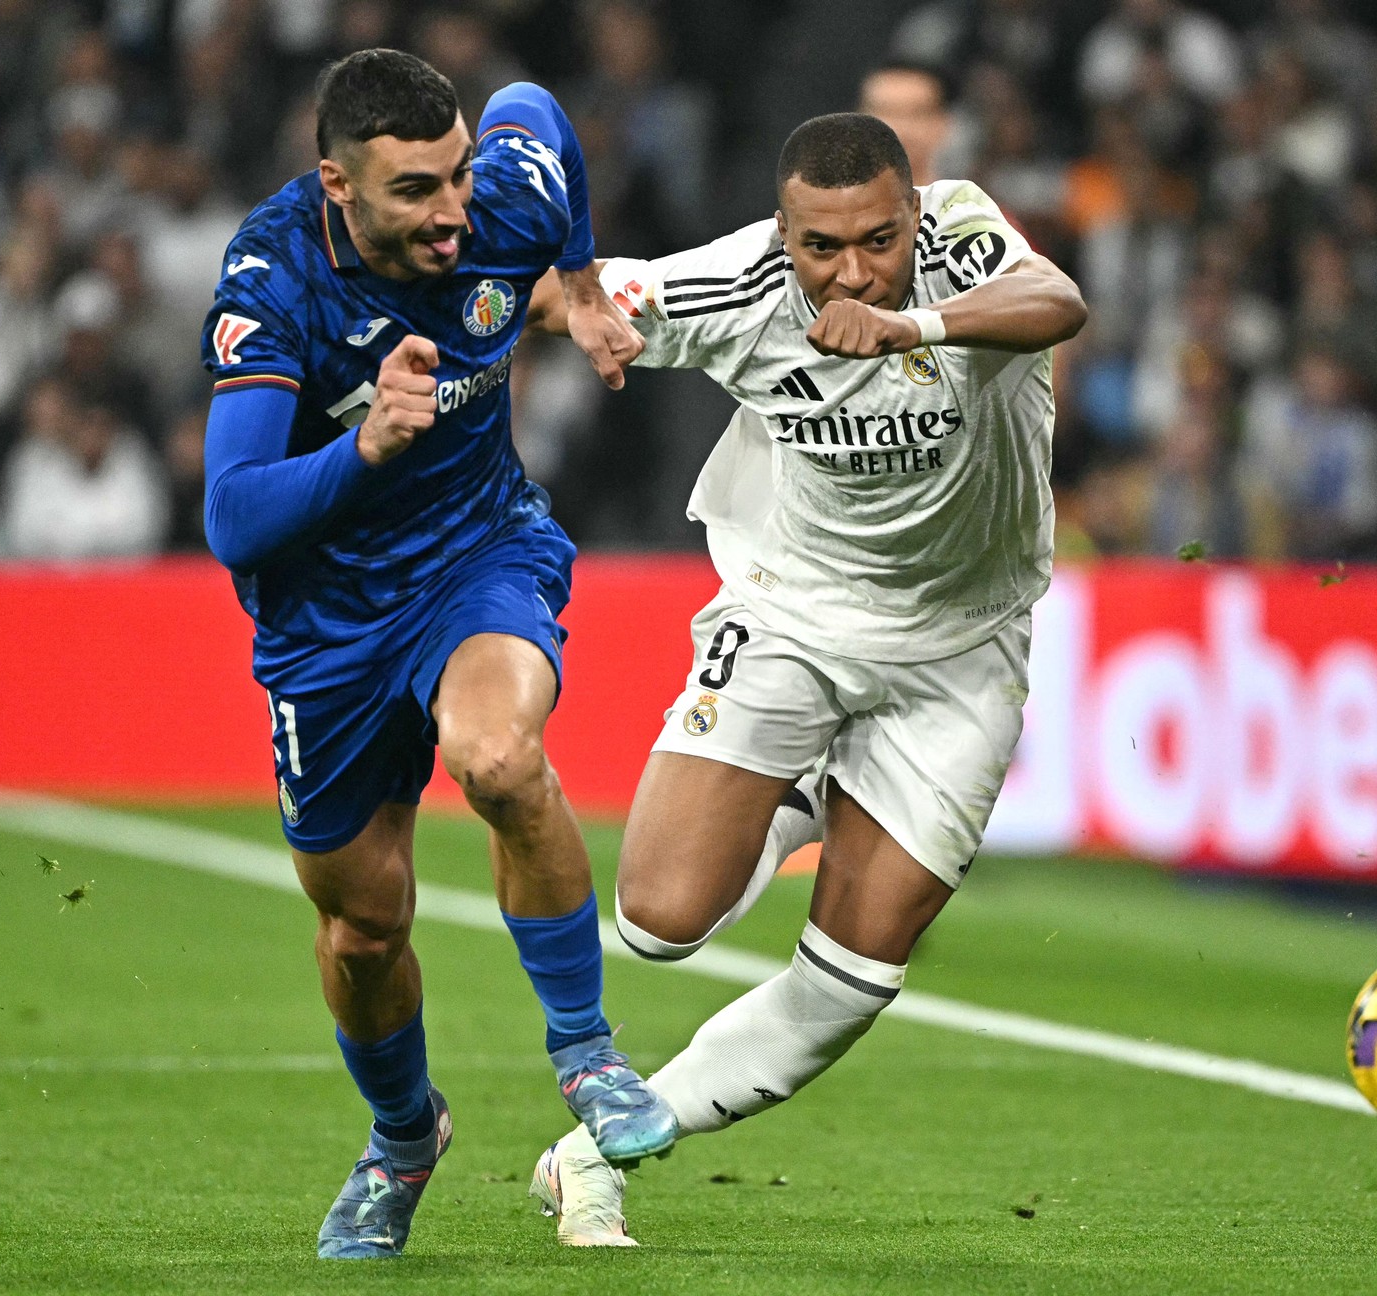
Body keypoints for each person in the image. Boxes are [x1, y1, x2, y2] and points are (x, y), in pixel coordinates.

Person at [522, 111, 1087, 1245]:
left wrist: (908, 320)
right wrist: (566, 301)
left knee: (855, 977)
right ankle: (809, 794)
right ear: (780, 231)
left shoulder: (965, 239)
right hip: (795, 618)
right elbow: (560, 297)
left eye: (878, 238)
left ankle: (600, 1148)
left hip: (962, 648)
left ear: (913, 213)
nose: (851, 268)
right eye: (821, 247)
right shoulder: (733, 285)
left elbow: (1059, 305)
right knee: (656, 921)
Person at [197, 49, 675, 1261]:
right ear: (338, 187)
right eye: (415, 190)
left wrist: (569, 282)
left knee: (500, 756)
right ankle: (404, 1137)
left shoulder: (504, 199)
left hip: (480, 557)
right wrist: (362, 450)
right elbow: (233, 514)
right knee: (365, 927)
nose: (454, 213)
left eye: (458, 176)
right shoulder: (274, 275)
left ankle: (588, 1058)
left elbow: (537, 109)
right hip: (328, 630)